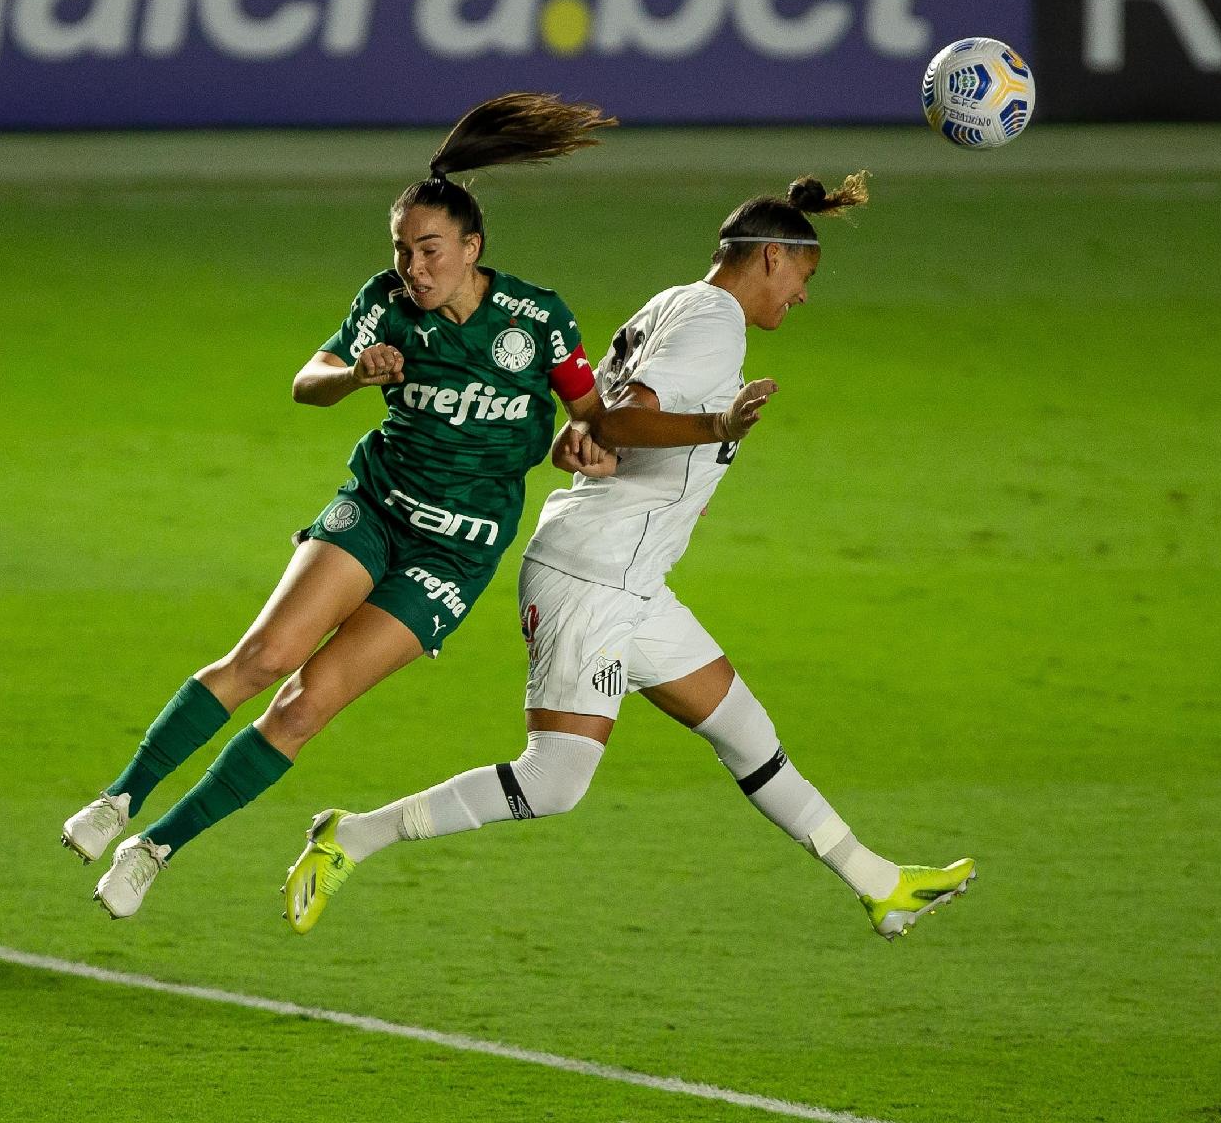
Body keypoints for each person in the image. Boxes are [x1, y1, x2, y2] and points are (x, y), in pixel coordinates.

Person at [61, 93, 765, 920]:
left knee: (306, 705)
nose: (416, 270)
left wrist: (594, 442)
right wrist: (357, 374)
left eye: (431, 251)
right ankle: (120, 799)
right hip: (380, 510)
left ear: (473, 247)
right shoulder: (387, 308)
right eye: (403, 254)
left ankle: (157, 848)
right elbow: (306, 382)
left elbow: (590, 414)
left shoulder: (536, 321)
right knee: (266, 654)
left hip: (457, 553)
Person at [281, 173, 976, 941]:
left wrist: (595, 440)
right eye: (804, 277)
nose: (803, 297)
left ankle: (880, 885)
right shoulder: (714, 321)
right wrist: (716, 424)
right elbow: (623, 421)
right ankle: (356, 835)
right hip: (595, 574)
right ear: (773, 257)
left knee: (746, 731)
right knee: (554, 782)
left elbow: (596, 425)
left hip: (631, 574)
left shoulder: (675, 302)